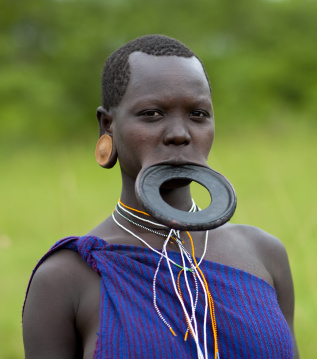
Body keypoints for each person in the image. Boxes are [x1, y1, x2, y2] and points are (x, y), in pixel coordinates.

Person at [22, 34, 298, 359]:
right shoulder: (66, 277)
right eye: (152, 114)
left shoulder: (264, 255)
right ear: (107, 126)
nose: (180, 134)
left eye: (198, 114)